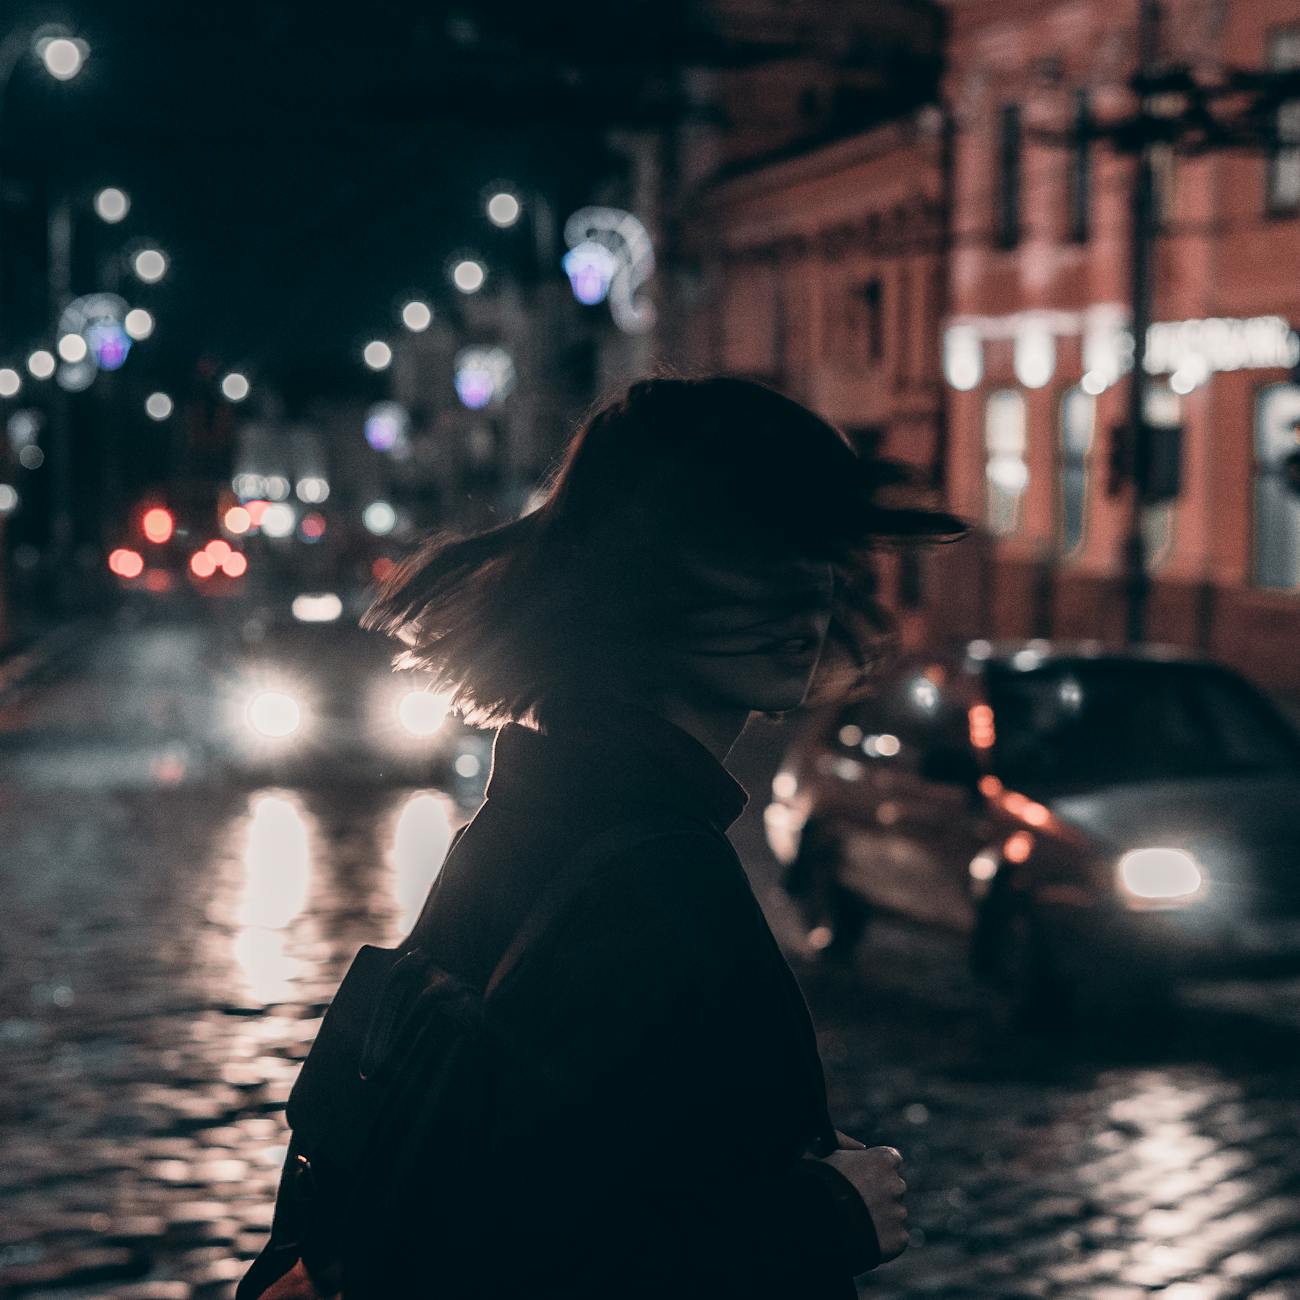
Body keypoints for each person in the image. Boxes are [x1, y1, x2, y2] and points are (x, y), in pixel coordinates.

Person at [249, 376, 963, 1299]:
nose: (804, 588)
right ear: (639, 572)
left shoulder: (548, 804)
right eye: (743, 547)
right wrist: (811, 1221)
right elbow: (510, 1258)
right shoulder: (650, 873)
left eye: (813, 545)